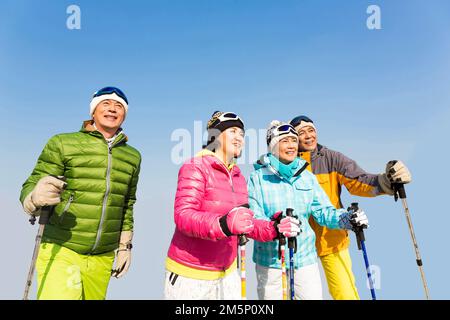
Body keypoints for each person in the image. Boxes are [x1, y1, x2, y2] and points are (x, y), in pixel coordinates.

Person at [19, 86, 141, 300]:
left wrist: (125, 246)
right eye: (106, 104)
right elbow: (32, 184)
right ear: (93, 111)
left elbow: (127, 203)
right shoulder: (63, 143)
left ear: (124, 115)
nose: (112, 109)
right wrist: (34, 198)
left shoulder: (132, 156)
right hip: (62, 248)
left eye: (119, 106)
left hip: (102, 257)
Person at [164, 111, 300, 300]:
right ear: (215, 136)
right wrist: (223, 224)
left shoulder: (237, 176)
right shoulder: (196, 167)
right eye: (233, 131)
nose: (239, 138)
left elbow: (245, 223)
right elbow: (183, 216)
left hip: (228, 273)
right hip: (192, 274)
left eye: (242, 134)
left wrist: (274, 228)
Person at [288, 115, 411, 300]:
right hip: (299, 244)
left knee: (345, 294)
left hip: (332, 238)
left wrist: (387, 181)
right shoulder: (287, 163)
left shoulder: (332, 158)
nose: (308, 136)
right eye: (301, 133)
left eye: (311, 130)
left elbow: (359, 181)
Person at [248, 121, 369, 300]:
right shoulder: (258, 177)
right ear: (273, 145)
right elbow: (253, 217)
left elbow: (324, 212)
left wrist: (347, 219)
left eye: (293, 141)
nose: (291, 146)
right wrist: (275, 227)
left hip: (305, 260)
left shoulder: (306, 177)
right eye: (285, 141)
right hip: (271, 262)